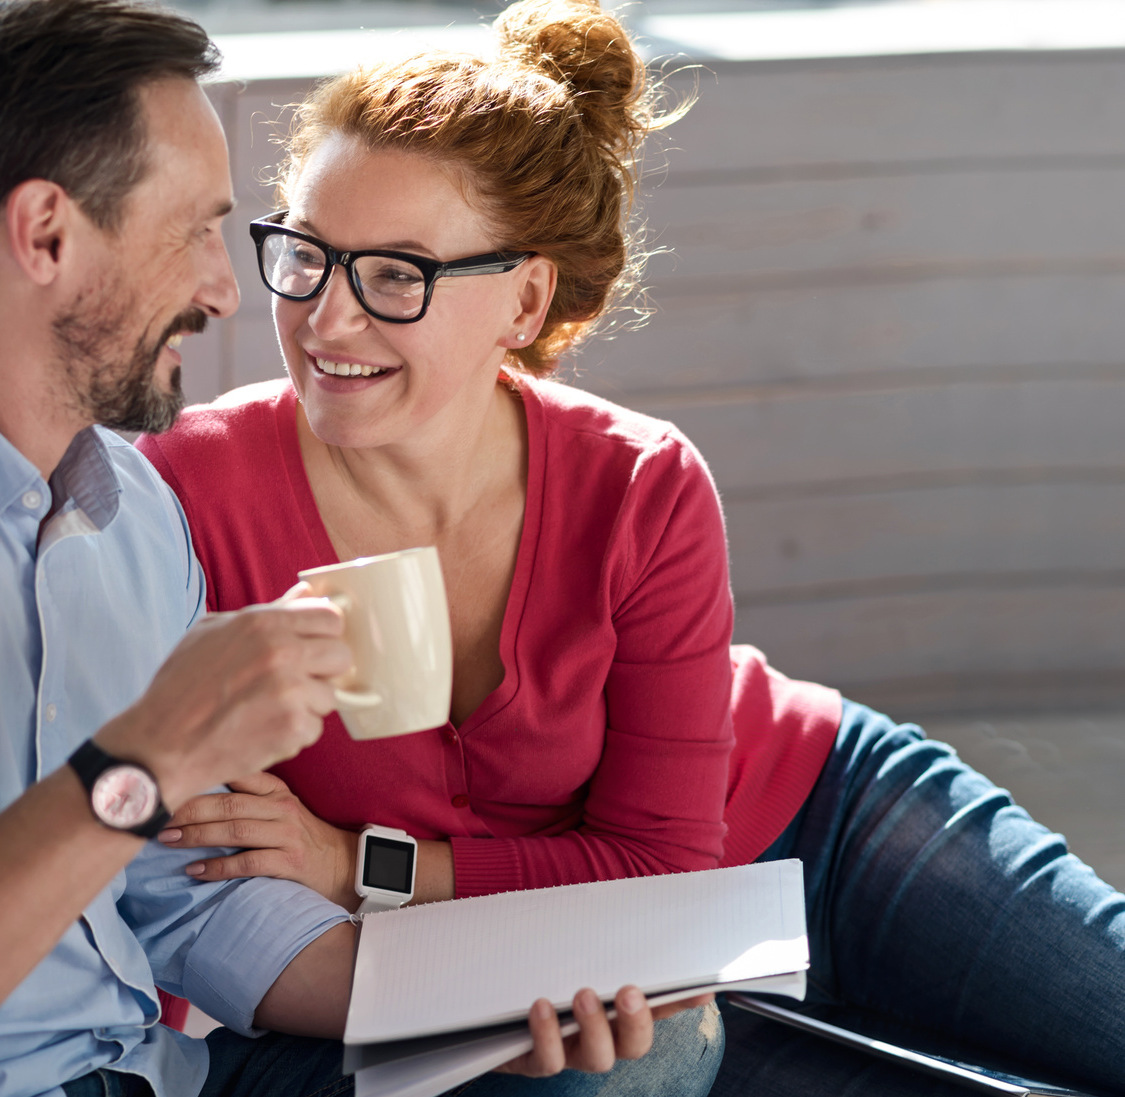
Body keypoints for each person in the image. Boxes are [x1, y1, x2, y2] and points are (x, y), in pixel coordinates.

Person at [0, 1, 711, 1095]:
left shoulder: (125, 515)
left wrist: (475, 1009)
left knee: (619, 1062)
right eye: (190, 230)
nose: (227, 289)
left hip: (145, 1072)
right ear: (45, 234)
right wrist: (136, 760)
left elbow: (197, 894)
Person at [135, 1, 1125, 1094]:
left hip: (813, 822)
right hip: (597, 974)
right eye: (307, 255)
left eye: (395, 275)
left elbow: (659, 862)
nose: (326, 319)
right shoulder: (186, 493)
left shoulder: (639, 482)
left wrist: (358, 863)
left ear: (524, 296)